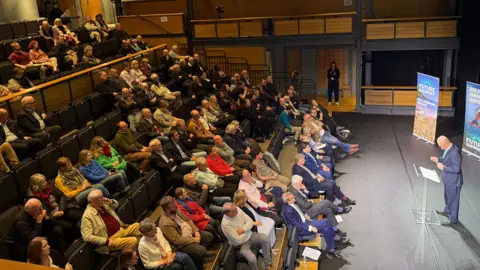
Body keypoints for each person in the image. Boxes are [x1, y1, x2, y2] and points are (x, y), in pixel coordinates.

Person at [281, 192, 347, 259]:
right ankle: (335, 238)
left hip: (305, 221)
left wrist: (305, 216)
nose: (295, 199)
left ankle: (331, 249)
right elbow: (296, 225)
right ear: (288, 201)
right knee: (326, 221)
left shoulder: (290, 204)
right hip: (303, 229)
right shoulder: (288, 210)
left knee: (326, 229)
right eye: (293, 198)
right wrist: (310, 228)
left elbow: (298, 214)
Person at [159, 196, 213, 270]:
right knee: (202, 250)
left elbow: (188, 219)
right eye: (172, 206)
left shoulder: (175, 208)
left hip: (192, 234)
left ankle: (196, 257)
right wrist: (194, 240)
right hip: (182, 245)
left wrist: (196, 231)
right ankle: (198, 263)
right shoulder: (165, 223)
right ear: (167, 209)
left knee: (209, 237)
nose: (176, 206)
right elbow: (177, 241)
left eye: (174, 203)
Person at [81, 189, 142, 254]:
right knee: (133, 241)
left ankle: (150, 244)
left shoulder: (103, 204)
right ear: (93, 201)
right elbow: (87, 237)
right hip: (111, 239)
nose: (104, 198)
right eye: (100, 198)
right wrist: (106, 241)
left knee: (139, 226)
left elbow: (116, 205)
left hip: (121, 229)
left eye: (102, 196)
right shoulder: (87, 216)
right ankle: (141, 257)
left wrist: (111, 202)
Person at [27, 174, 83, 242]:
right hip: (51, 217)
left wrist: (61, 209)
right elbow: (42, 212)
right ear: (38, 186)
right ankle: (74, 241)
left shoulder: (49, 187)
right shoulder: (33, 199)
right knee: (67, 226)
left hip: (60, 208)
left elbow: (62, 196)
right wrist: (53, 215)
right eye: (44, 182)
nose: (46, 182)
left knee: (75, 215)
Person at [221, 203, 273, 270]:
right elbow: (238, 240)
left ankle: (268, 264)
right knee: (252, 259)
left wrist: (243, 229)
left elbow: (250, 221)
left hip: (251, 235)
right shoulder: (225, 224)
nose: (237, 210)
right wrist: (247, 229)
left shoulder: (237, 209)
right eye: (235, 210)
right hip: (241, 245)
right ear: (229, 214)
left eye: (236, 208)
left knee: (265, 238)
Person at [430, 135, 463, 226]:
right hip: (448, 180)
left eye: (440, 145)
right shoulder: (449, 149)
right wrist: (437, 159)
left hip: (454, 181)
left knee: (453, 200)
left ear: (444, 144)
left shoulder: (455, 153)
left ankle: (453, 219)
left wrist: (443, 167)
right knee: (447, 197)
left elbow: (456, 169)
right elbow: (445, 160)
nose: (440, 147)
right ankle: (447, 210)